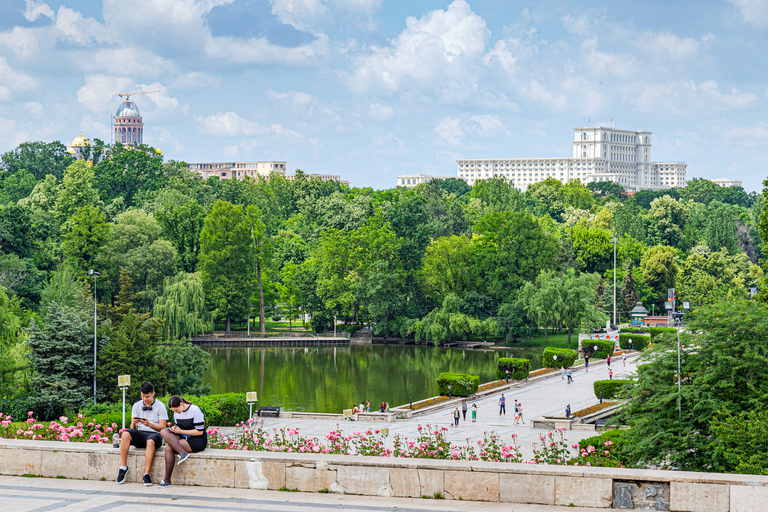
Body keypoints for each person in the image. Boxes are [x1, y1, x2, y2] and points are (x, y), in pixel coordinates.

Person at [116, 382, 168, 486]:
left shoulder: (160, 406)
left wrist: (149, 424)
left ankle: (146, 474)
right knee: (126, 433)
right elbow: (133, 429)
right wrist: (133, 423)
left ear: (153, 393)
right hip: (141, 433)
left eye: (147, 396)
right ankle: (123, 467)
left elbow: (163, 428)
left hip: (155, 434)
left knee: (150, 441)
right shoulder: (137, 405)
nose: (145, 399)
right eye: (143, 396)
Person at [158, 396, 207, 489]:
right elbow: (179, 427)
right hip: (184, 437)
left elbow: (199, 431)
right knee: (163, 431)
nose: (176, 412)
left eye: (176, 410)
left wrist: (181, 432)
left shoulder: (195, 410)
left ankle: (167, 480)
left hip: (197, 440)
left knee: (169, 447)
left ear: (181, 404)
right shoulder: (177, 413)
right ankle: (182, 454)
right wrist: (175, 429)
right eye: (174, 411)